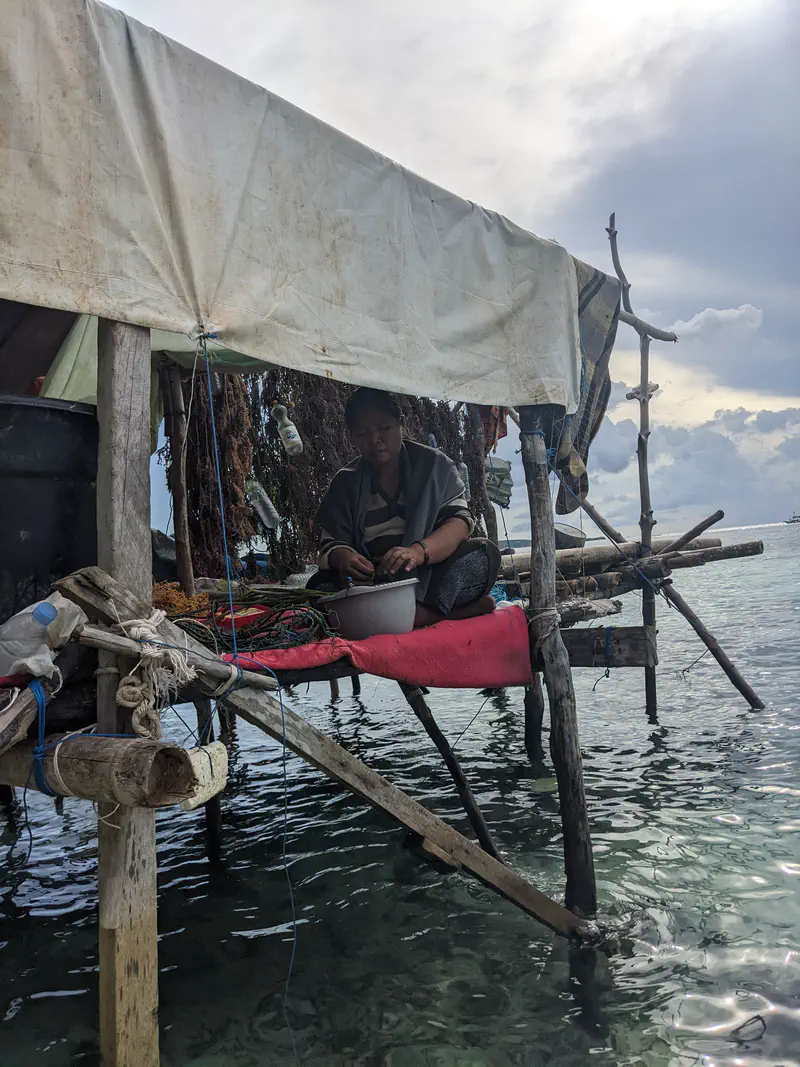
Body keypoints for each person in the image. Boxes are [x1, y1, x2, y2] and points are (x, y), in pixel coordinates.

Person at [313, 387, 501, 628]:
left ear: (401, 424)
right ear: (351, 437)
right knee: (318, 586)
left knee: (482, 556)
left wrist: (418, 552)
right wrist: (345, 558)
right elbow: (330, 544)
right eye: (362, 433)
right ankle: (440, 614)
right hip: (371, 586)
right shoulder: (344, 483)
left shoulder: (434, 466)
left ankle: (408, 614)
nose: (374, 440)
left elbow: (460, 524)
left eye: (384, 428)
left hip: (427, 579)